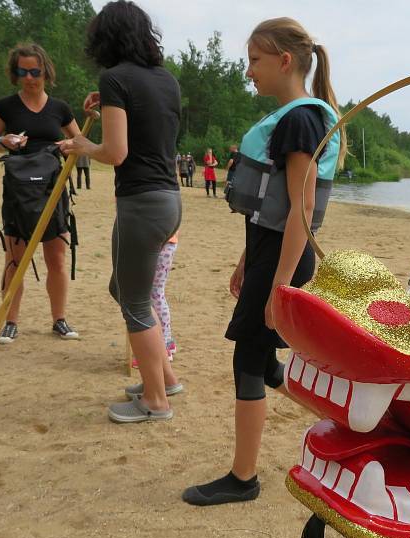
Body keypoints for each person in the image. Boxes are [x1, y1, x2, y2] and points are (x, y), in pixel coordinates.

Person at [182, 16, 346, 506]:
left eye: (255, 60)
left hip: (283, 261)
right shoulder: (298, 117)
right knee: (266, 360)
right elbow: (270, 208)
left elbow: (301, 209)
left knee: (249, 357)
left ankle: (243, 478)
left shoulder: (301, 119)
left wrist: (278, 286)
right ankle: (343, 415)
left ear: (284, 60)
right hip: (269, 255)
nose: (249, 71)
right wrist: (244, 261)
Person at [58, 0, 182, 423]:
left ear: (106, 39)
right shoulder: (165, 79)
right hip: (168, 199)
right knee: (124, 290)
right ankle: (164, 378)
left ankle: (155, 402)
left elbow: (115, 151)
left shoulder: (114, 77)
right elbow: (143, 129)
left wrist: (82, 145)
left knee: (134, 303)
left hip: (142, 203)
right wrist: (104, 111)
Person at [0, 42, 82, 344]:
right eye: (23, 71)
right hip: (18, 191)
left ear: (46, 72)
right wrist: (5, 140)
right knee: (15, 259)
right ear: (15, 73)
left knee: (57, 257)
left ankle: (59, 319)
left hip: (52, 190)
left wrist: (69, 145)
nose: (30, 77)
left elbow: (80, 142)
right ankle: (10, 321)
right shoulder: (4, 107)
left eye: (35, 71)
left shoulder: (60, 108)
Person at [132, 231, 179, 369]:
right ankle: (167, 342)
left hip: (157, 242)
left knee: (153, 295)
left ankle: (162, 347)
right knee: (156, 294)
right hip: (160, 241)